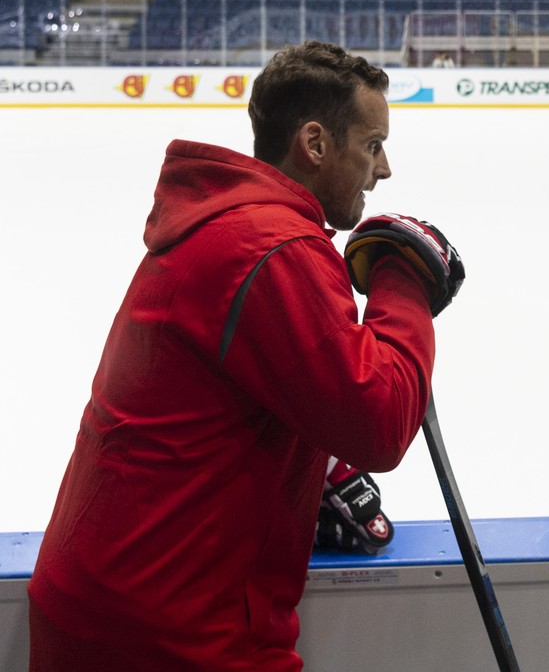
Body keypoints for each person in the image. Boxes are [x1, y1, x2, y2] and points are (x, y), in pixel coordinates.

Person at [28, 40, 465, 671]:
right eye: (372, 145)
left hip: (111, 605)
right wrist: (402, 282)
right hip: (174, 635)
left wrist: (310, 468)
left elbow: (217, 399)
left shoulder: (221, 224)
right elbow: (380, 420)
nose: (385, 169)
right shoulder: (273, 248)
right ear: (315, 144)